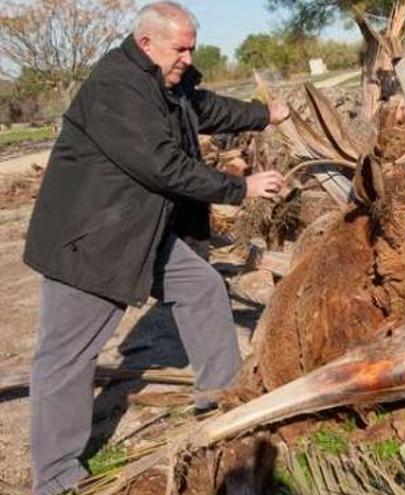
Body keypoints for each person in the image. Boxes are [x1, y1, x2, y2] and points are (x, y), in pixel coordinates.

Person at [22, 2, 289, 493]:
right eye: (180, 48)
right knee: (66, 357)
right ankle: (55, 476)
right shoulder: (116, 88)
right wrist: (240, 188)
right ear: (147, 43)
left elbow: (204, 107)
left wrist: (264, 114)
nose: (188, 56)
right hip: (90, 239)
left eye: (192, 46)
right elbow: (161, 165)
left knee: (204, 288)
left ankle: (222, 400)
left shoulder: (168, 81)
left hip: (138, 230)